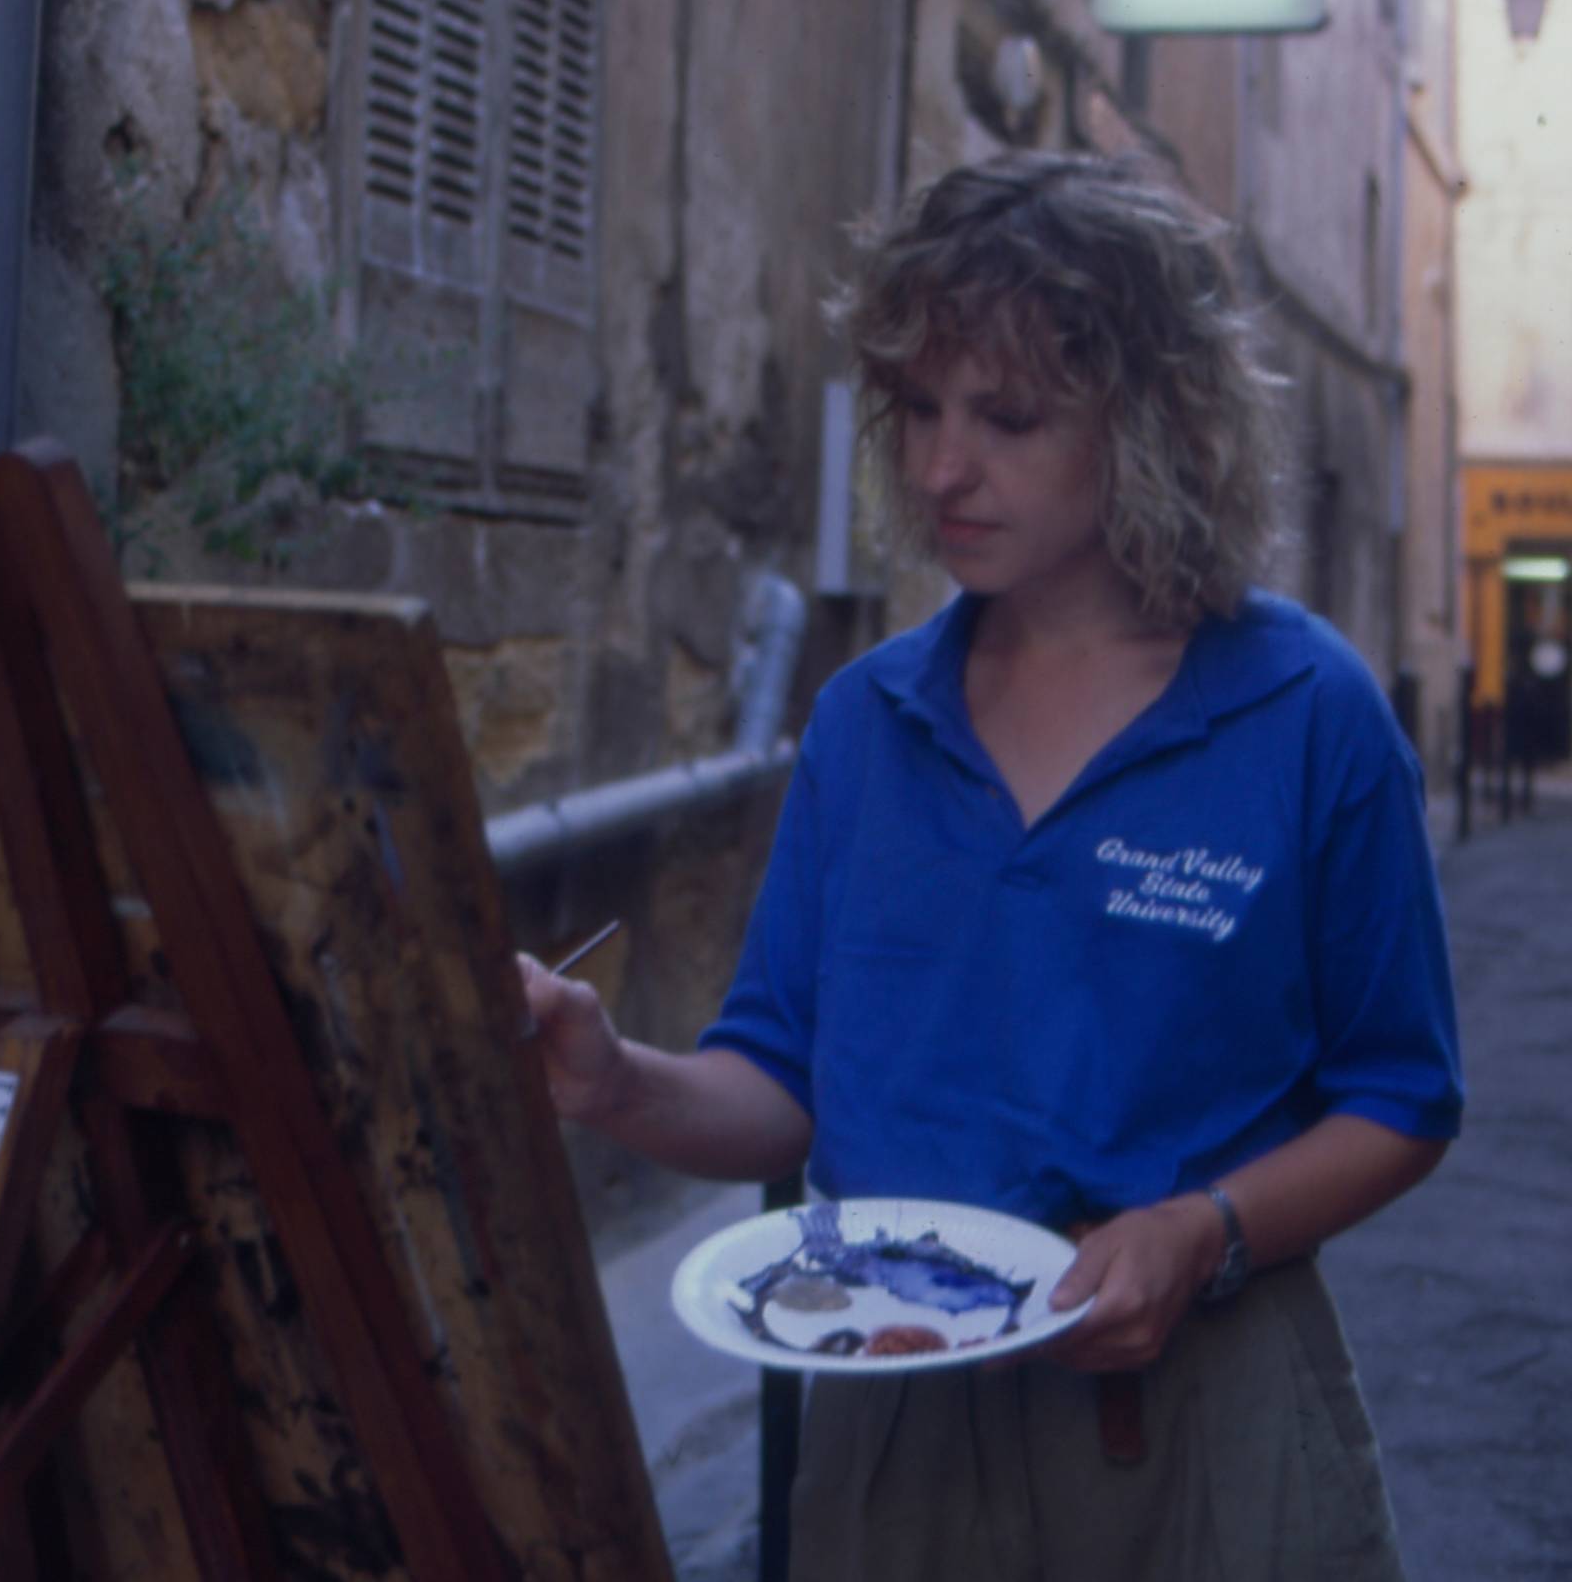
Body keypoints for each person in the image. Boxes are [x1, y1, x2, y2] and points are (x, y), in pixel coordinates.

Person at [520, 150, 1463, 1581]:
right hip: (896, 1433)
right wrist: (618, 1085)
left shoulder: (1308, 713)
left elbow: (1402, 1096)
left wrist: (1202, 1232)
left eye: (1008, 417)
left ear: (1154, 418)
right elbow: (783, 1085)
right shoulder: (866, 722)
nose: (940, 466)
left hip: (1202, 1436)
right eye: (916, 409)